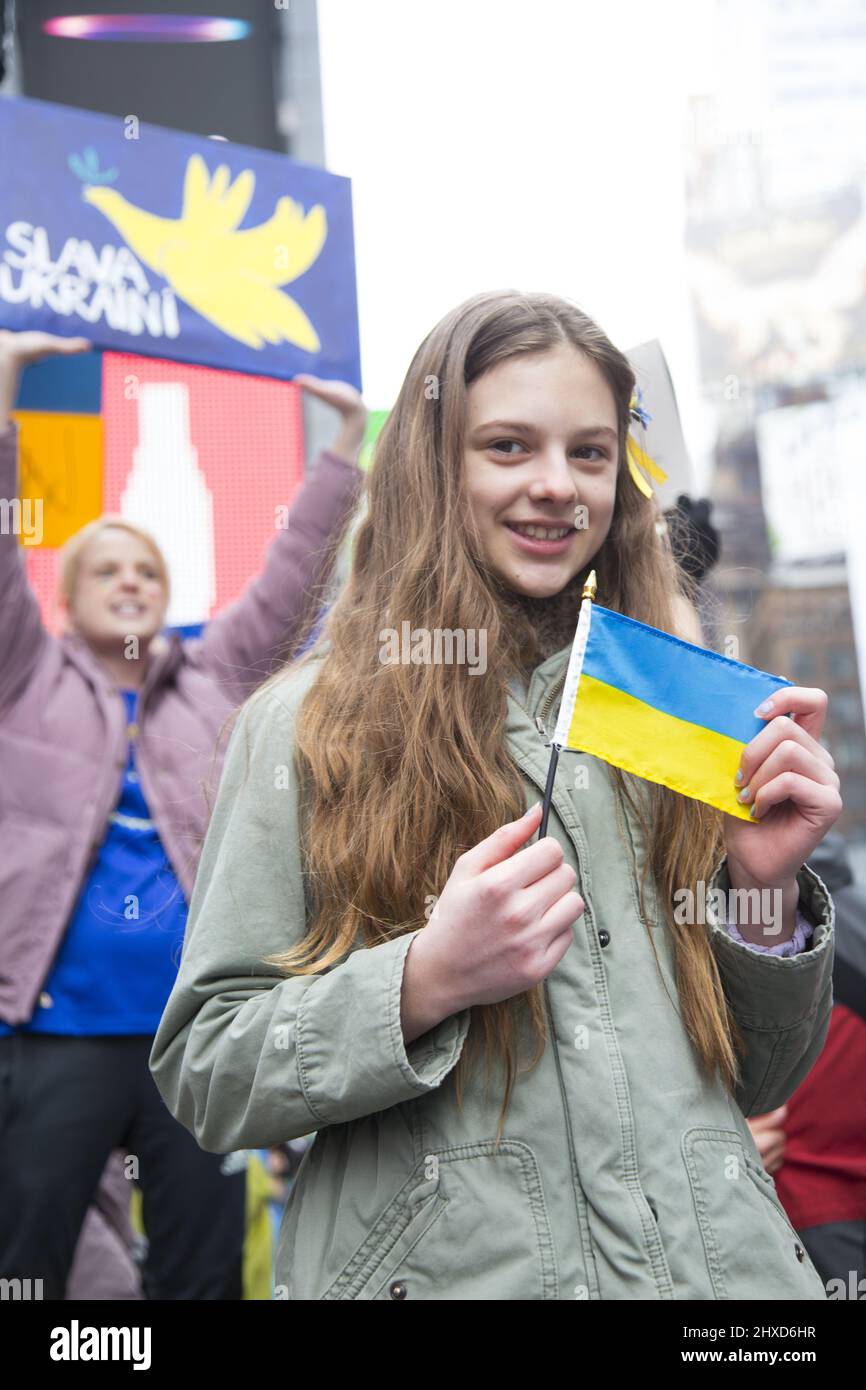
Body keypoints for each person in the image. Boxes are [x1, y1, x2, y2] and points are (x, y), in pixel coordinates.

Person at [150, 290, 841, 1300]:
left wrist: (763, 899)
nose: (557, 486)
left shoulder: (680, 704)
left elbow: (763, 1079)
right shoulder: (305, 724)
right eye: (508, 447)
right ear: (434, 466)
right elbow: (207, 1069)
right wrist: (423, 977)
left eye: (590, 453)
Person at [0, 328, 367, 1299]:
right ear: (65, 597)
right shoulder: (21, 674)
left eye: (148, 572)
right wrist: (4, 385)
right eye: (106, 569)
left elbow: (296, 572)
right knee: (27, 1268)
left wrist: (347, 438)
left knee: (204, 1272)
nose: (130, 581)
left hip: (194, 1042)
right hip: (53, 1036)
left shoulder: (216, 676)